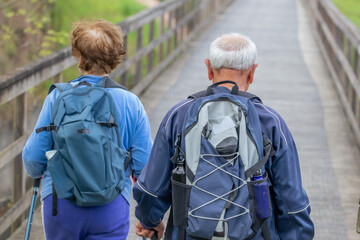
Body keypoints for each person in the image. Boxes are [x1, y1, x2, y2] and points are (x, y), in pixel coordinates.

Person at [133, 33, 314, 239]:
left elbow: (151, 189)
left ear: (209, 68)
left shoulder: (179, 116)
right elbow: (292, 201)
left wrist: (149, 221)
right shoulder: (271, 122)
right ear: (252, 72)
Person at [22, 20, 152, 240]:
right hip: (111, 204)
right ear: (115, 58)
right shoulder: (131, 103)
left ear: (79, 56)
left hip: (61, 204)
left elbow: (33, 160)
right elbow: (144, 167)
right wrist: (150, 216)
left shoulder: (57, 97)